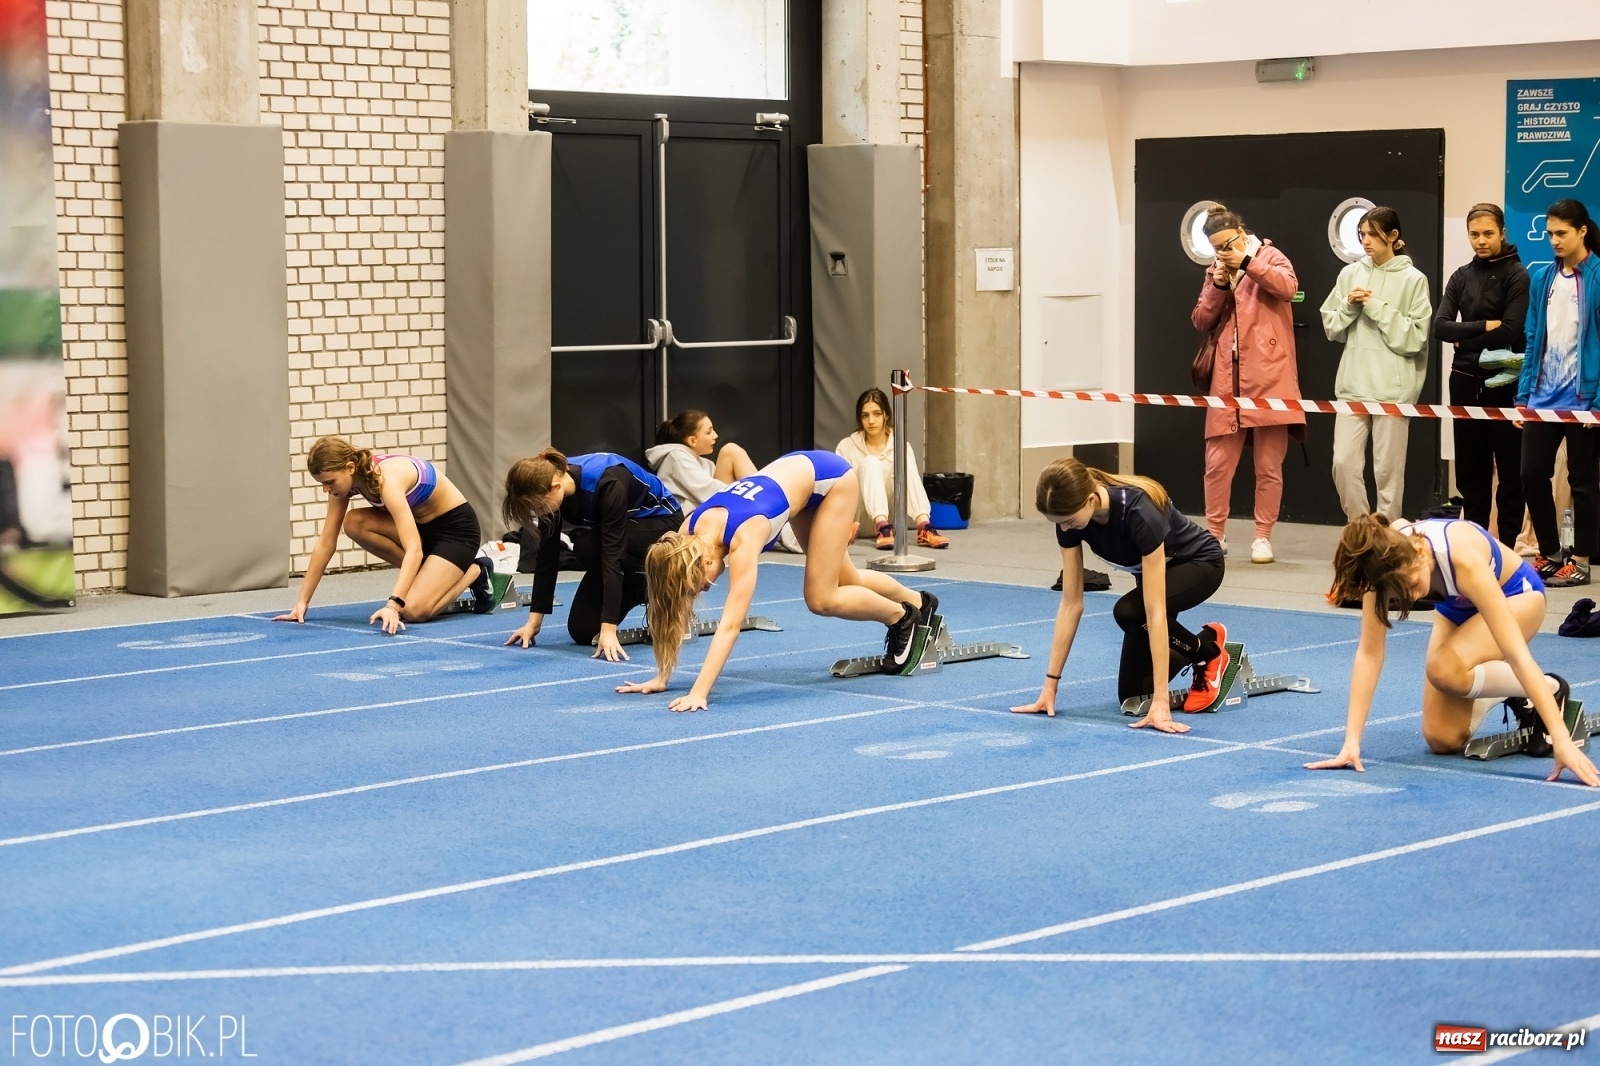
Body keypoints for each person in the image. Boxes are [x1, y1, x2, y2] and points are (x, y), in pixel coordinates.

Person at [618, 450, 940, 710]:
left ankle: (903, 618)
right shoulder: (685, 537)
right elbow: (672, 606)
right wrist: (662, 675)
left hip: (832, 479)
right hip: (797, 475)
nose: (705, 588)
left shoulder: (744, 538)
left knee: (822, 598)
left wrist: (699, 692)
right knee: (847, 578)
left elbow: (730, 625)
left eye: (702, 584)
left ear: (705, 561)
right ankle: (919, 602)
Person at [1307, 513, 1598, 786]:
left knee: (1443, 667)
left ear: (1420, 552)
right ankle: (1514, 694)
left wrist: (1560, 738)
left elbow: (1517, 655)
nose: (1409, 596)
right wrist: (1351, 742)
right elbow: (1369, 654)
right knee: (1442, 739)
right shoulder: (1381, 570)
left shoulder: (1461, 558)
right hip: (1457, 609)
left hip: (1518, 596)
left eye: (1412, 585)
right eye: (1398, 594)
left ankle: (1549, 688)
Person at [1010, 458, 1230, 733]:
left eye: (1068, 522)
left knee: (1129, 611)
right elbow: (1071, 604)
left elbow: (1154, 610)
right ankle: (1206, 642)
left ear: (1090, 501)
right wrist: (1049, 687)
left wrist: (1161, 702)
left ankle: (1209, 656)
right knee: (1133, 697)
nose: (1065, 529)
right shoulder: (1069, 517)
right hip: (1155, 576)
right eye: (1058, 524)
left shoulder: (1139, 511)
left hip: (1199, 565)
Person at [276, 437, 492, 634]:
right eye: (322, 483)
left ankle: (476, 570)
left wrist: (393, 605)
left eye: (329, 482)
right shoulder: (344, 486)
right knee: (353, 522)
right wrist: (302, 603)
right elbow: (326, 542)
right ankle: (427, 576)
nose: (326, 489)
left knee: (415, 611)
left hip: (455, 532)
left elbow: (413, 548)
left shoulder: (387, 480)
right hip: (420, 528)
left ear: (350, 468)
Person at [1191, 204, 1305, 565]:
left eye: (1228, 244)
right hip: (1227, 377)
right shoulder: (1215, 270)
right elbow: (1200, 320)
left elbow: (1288, 287)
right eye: (1217, 248)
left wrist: (1247, 263)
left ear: (1242, 233)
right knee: (1218, 463)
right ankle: (1214, 535)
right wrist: (1217, 285)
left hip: (1271, 376)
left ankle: (1262, 537)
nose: (1223, 252)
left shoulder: (1270, 255)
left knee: (1269, 466)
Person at [501, 449, 684, 661]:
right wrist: (534, 622)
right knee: (583, 630)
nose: (539, 514)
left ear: (555, 488)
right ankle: (641, 587)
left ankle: (667, 587)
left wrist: (609, 630)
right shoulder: (546, 483)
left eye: (540, 507)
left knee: (588, 546)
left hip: (664, 524)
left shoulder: (608, 483)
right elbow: (546, 556)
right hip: (621, 534)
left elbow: (612, 555)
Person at [1321, 205, 1433, 521]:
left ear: (1394, 236)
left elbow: (1414, 339)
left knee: (1388, 475)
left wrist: (1375, 306)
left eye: (1373, 234)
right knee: (1343, 463)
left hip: (1394, 392)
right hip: (1353, 387)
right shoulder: (1350, 273)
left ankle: (1387, 537)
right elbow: (1331, 327)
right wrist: (1349, 305)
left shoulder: (1414, 280)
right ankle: (1361, 529)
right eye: (1362, 235)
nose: (1366, 241)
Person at [1435, 203, 1530, 546]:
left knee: (1509, 474)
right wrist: (1480, 328)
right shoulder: (1460, 276)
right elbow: (1441, 327)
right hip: (1462, 381)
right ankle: (1473, 547)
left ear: (1503, 233)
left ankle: (1506, 547)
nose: (1481, 241)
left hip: (1504, 383)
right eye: (1474, 234)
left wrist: (1466, 338)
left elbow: (1511, 331)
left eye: (1488, 233)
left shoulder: (1517, 275)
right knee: (1471, 474)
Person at [1518, 198, 1600, 588]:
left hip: (1584, 401)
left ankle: (1581, 559)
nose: (1553, 240)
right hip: (1542, 398)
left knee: (1583, 482)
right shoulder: (1542, 279)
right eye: (1550, 233)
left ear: (1582, 232)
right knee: (1531, 473)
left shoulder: (1599, 276)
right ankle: (1551, 552)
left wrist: (1598, 400)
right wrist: (1522, 396)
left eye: (1561, 233)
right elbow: (1533, 338)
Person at [646, 409, 802, 553]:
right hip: (694, 522)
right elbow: (707, 491)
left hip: (711, 511)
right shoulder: (676, 458)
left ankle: (770, 504)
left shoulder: (703, 463)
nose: (715, 436)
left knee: (731, 451)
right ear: (692, 440)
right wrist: (746, 496)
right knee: (731, 451)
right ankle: (777, 515)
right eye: (709, 432)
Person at [834, 388, 949, 549]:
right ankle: (880, 526)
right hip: (857, 521)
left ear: (886, 415)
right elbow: (838, 491)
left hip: (892, 521)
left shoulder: (899, 443)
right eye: (865, 416)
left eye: (877, 414)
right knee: (870, 462)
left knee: (902, 459)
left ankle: (924, 526)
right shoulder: (846, 447)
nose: (871, 421)